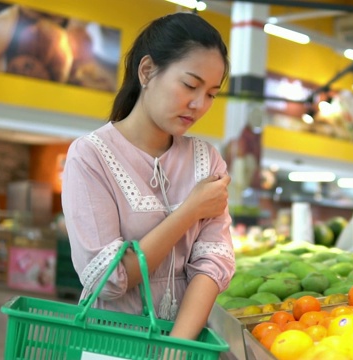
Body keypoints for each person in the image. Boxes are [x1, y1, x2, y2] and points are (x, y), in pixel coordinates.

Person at [61, 12, 234, 341]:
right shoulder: (90, 156)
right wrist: (190, 211)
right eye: (190, 85)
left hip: (182, 342)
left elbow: (213, 263)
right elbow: (109, 280)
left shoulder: (207, 161)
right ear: (147, 71)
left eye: (211, 93)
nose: (199, 104)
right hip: (109, 343)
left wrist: (176, 348)